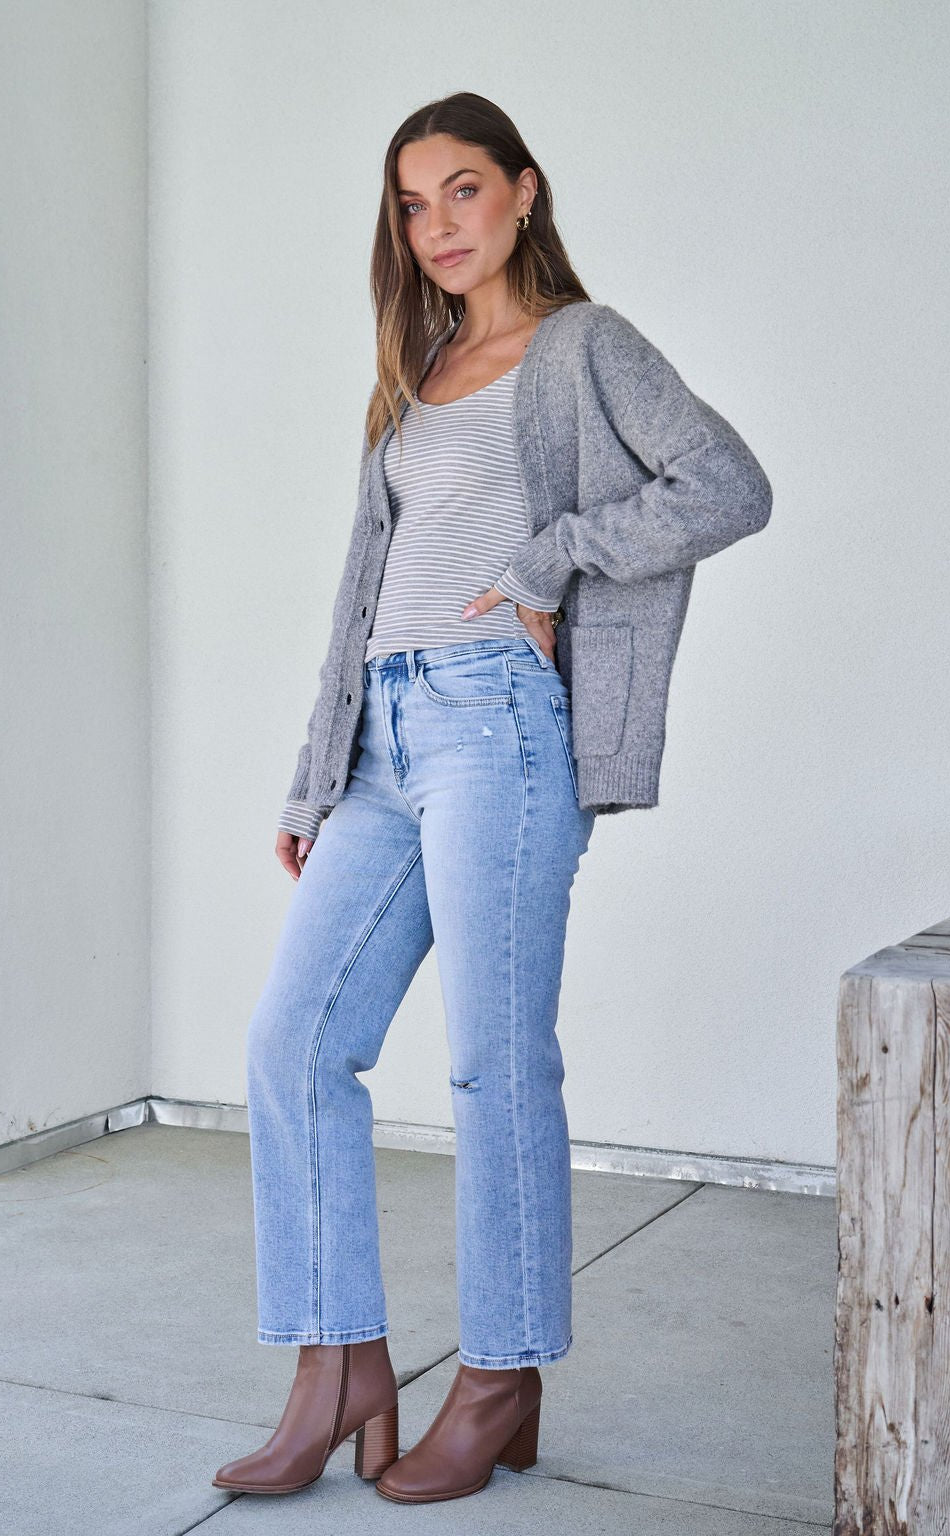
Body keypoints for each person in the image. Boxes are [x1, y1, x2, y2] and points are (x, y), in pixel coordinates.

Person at [213, 91, 772, 1505]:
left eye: (463, 190)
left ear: (524, 193)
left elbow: (728, 482)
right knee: (295, 1045)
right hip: (385, 739)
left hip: (500, 732)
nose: (438, 225)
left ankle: (500, 1372)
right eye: (413, 203)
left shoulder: (582, 347)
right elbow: (364, 590)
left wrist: (551, 561)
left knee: (489, 1061)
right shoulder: (420, 364)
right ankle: (335, 1364)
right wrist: (315, 765)